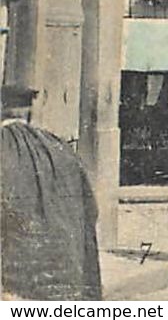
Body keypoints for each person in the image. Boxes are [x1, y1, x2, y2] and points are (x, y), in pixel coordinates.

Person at [0, 85, 101, 299]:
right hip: (65, 274)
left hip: (17, 281)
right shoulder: (59, 146)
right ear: (30, 111)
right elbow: (90, 209)